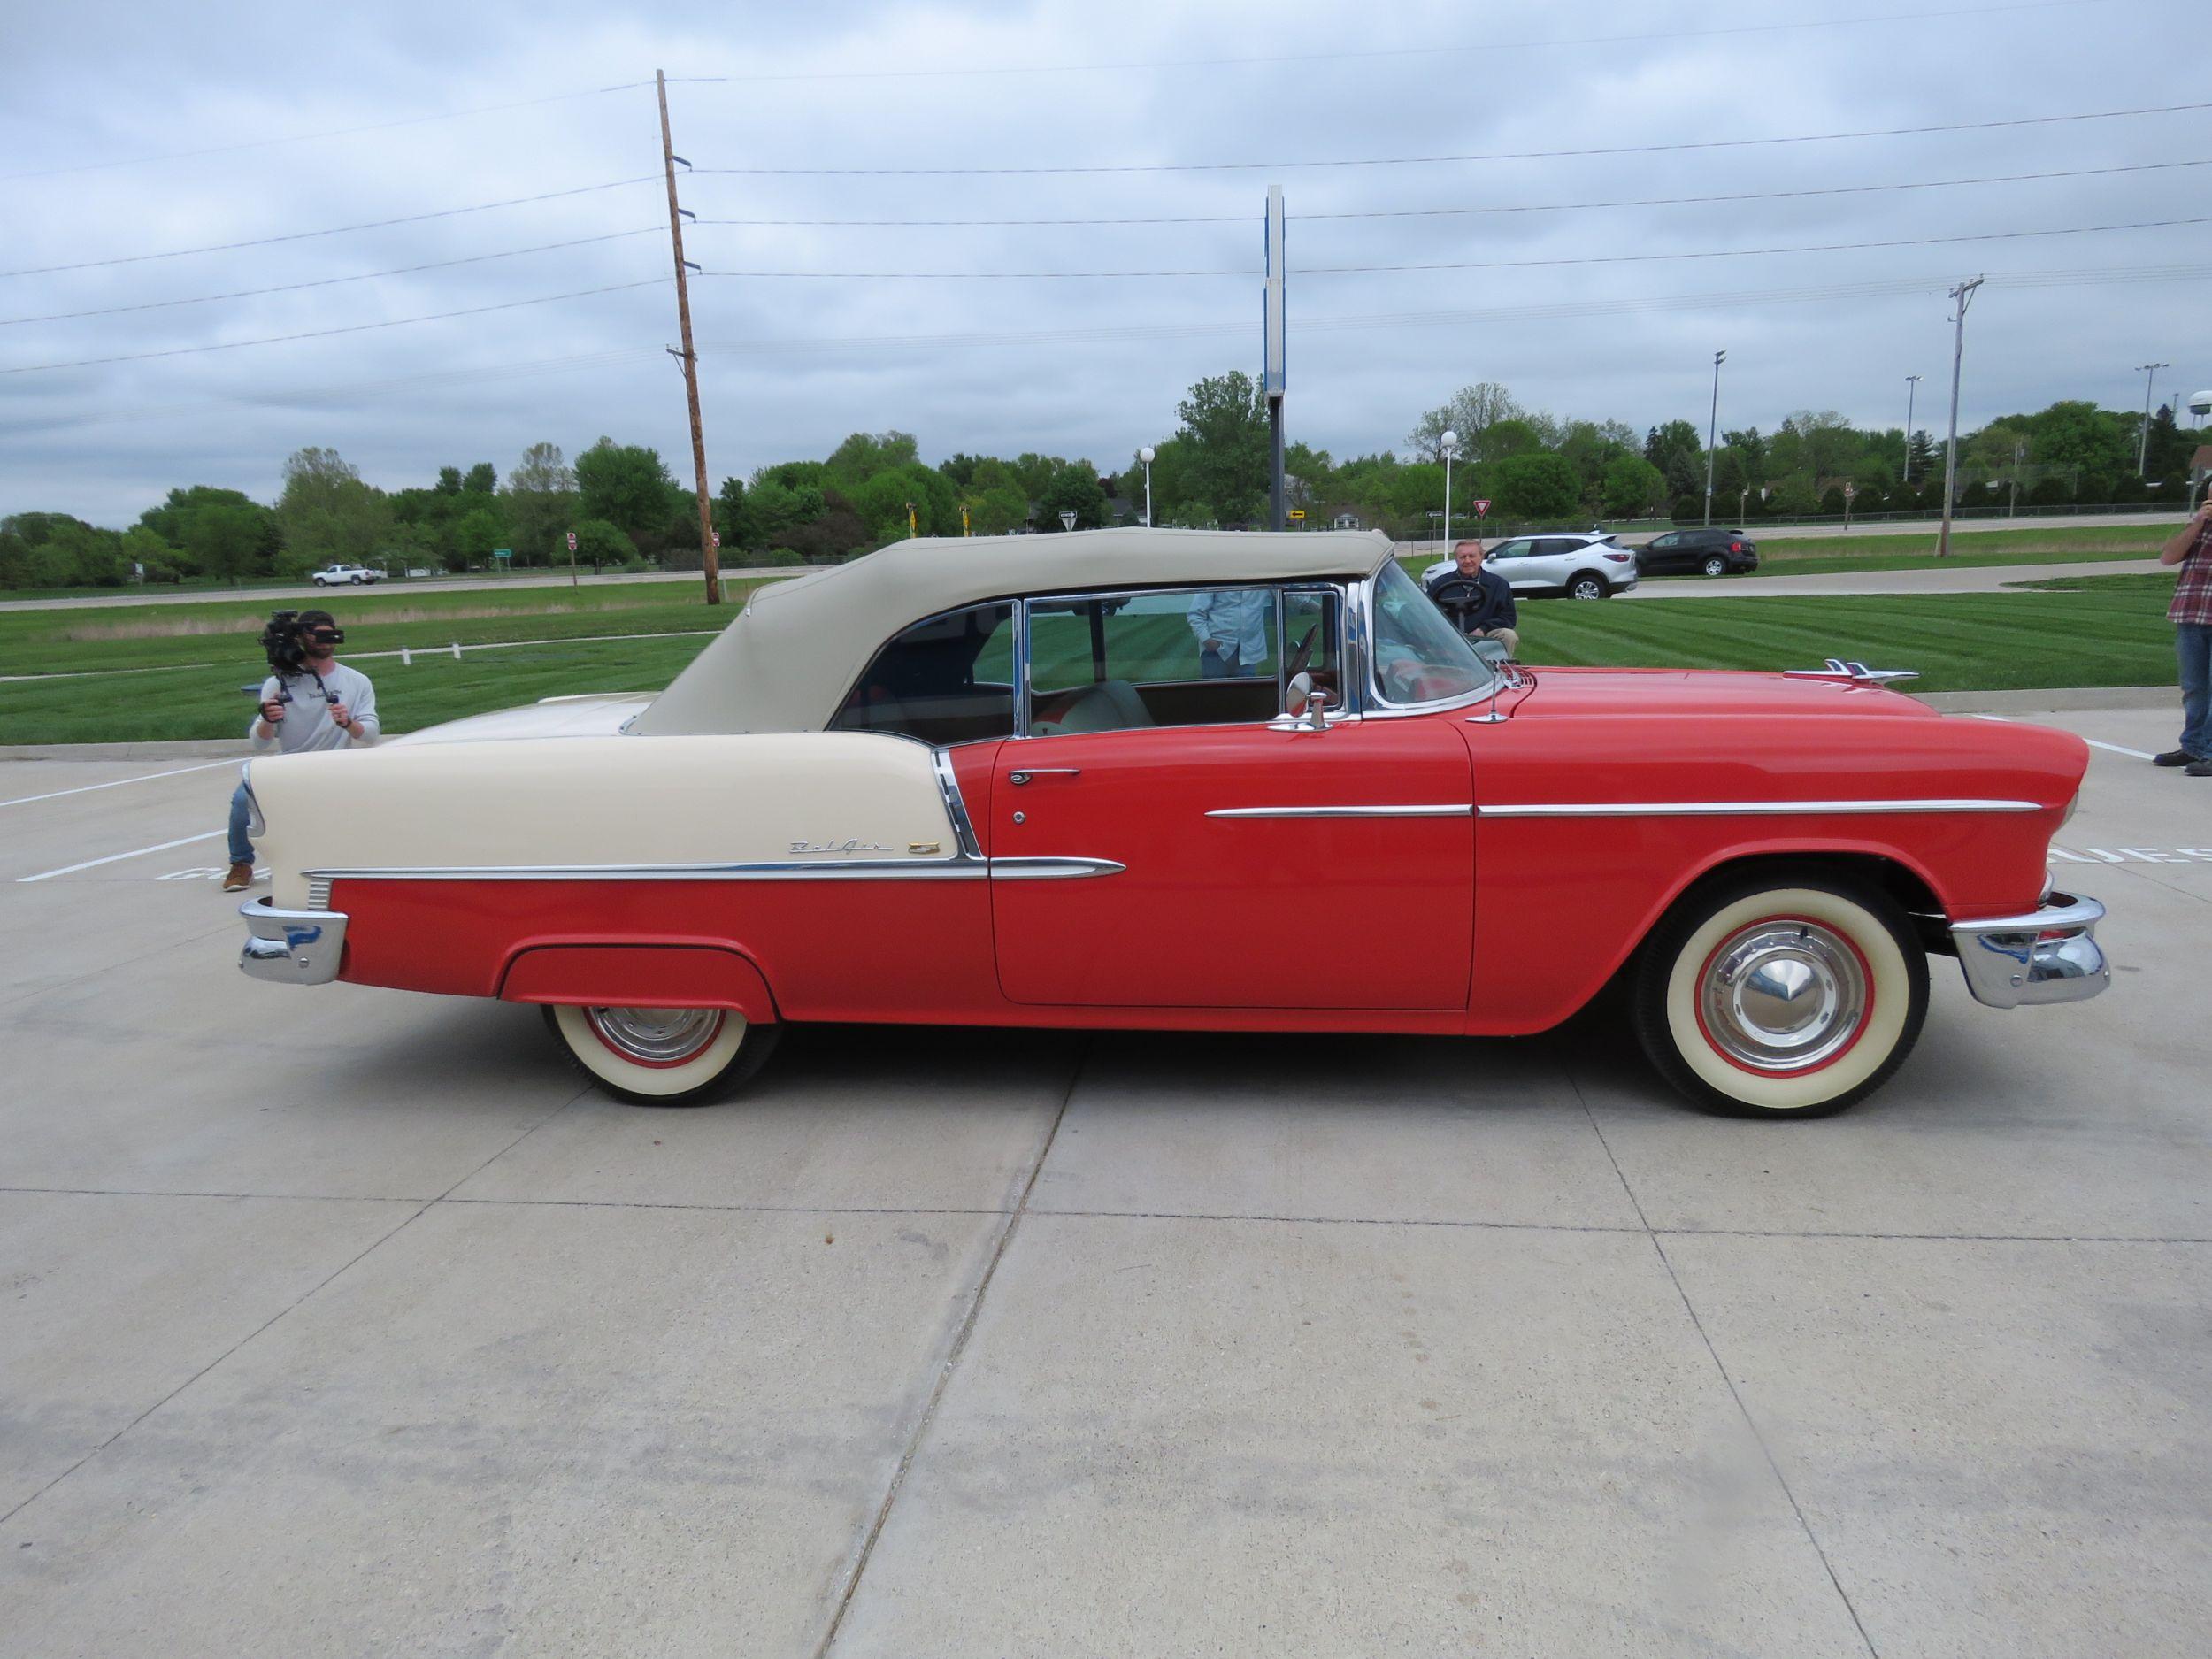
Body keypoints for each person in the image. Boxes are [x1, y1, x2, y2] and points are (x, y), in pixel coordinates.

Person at [224, 609, 379, 891]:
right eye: (316, 635)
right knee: (241, 799)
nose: (324, 641)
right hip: (291, 763)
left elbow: (370, 734)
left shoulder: (356, 681)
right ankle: (240, 865)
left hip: (337, 763)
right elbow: (260, 742)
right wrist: (267, 720)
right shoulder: (277, 683)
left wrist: (348, 723)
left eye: (329, 634)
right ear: (301, 639)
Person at [2154, 498, 2212, 777]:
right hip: (2191, 613)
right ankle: (2193, 746)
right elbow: (2168, 557)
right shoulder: (2197, 528)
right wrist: (2198, 523)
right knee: (2194, 687)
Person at [1423, 539, 1520, 658]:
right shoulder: (1440, 584)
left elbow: (1508, 617)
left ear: (1481, 556)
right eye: (1462, 557)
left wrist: (1483, 629)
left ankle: (1500, 668)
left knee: (1508, 635)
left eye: (1472, 556)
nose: (1467, 561)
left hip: (1483, 634)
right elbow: (1427, 614)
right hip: (1448, 635)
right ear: (1456, 559)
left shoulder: (1498, 585)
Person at [1186, 588, 1271, 679]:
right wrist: (1207, 640)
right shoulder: (1216, 577)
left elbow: (1283, 588)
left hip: (1249, 651)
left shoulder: (1261, 579)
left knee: (1247, 691)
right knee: (1213, 692)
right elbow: (1195, 614)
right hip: (1216, 653)